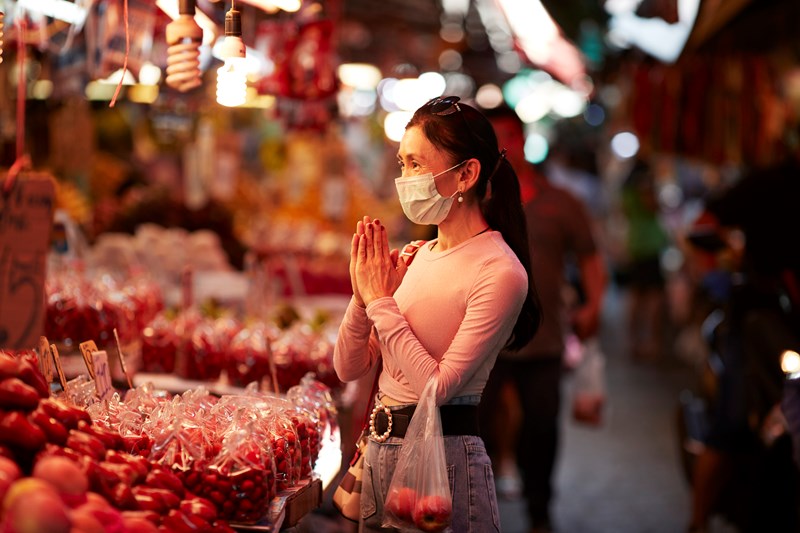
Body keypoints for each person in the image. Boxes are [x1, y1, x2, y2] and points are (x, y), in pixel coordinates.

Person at [333, 95, 542, 532]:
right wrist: (362, 296)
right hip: (381, 452)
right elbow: (349, 367)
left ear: (466, 173)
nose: (405, 178)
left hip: (442, 465)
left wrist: (380, 303)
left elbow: (436, 389)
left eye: (416, 164)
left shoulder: (500, 271)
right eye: (402, 163)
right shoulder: (418, 255)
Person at [480, 105, 606, 533]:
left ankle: (539, 511)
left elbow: (591, 259)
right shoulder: (476, 201)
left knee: (541, 429)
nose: (498, 151)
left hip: (545, 340)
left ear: (520, 141)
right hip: (485, 343)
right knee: (477, 429)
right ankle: (478, 504)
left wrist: (594, 305)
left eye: (504, 140)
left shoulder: (561, 202)